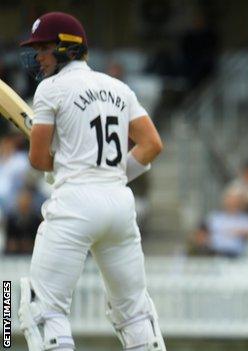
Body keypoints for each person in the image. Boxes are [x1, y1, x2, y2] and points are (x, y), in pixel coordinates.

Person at [18, 12, 166, 351]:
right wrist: (112, 176)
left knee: (42, 311)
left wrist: (68, 169)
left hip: (74, 203)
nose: (37, 57)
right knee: (134, 314)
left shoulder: (50, 90)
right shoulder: (119, 88)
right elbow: (152, 144)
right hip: (119, 205)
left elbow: (39, 159)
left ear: (66, 49)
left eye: (43, 49)